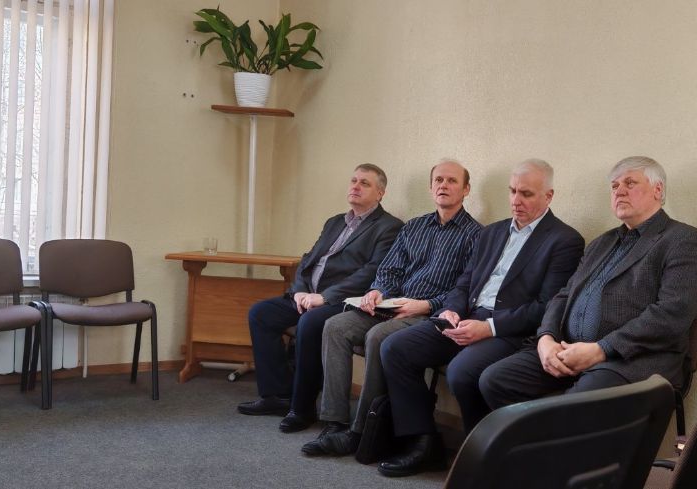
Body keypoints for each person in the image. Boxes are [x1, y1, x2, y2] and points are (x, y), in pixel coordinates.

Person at [376, 159, 585, 477]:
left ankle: (482, 456)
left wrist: (489, 327)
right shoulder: (492, 233)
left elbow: (545, 306)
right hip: (466, 317)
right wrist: (452, 310)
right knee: (395, 348)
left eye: (526, 193)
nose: (516, 200)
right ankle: (423, 442)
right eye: (512, 191)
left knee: (462, 372)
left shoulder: (564, 240)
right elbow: (465, 282)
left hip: (509, 329)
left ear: (549, 196)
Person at [479, 156, 697, 409]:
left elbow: (672, 313)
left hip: (629, 359)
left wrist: (601, 349)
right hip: (570, 349)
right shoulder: (602, 242)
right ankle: (534, 436)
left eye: (630, 183)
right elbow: (564, 295)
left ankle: (551, 434)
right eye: (614, 186)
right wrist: (546, 338)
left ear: (658, 190)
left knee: (575, 403)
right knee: (495, 380)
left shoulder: (683, 240)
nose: (619, 191)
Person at [296, 159, 483, 451]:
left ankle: (361, 431)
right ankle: (335, 422)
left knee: (377, 336)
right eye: (438, 180)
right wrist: (377, 291)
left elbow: (466, 289)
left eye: (452, 181)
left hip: (428, 313)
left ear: (466, 189)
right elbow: (389, 270)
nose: (443, 186)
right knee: (335, 326)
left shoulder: (477, 235)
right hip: (391, 305)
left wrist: (425, 305)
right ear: (430, 187)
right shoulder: (414, 227)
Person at [237, 164, 403, 434]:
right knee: (261, 313)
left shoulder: (389, 227)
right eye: (353, 180)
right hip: (308, 296)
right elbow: (309, 260)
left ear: (380, 193)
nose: (356, 186)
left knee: (310, 323)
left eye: (365, 183)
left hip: (343, 302)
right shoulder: (335, 222)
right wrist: (299, 291)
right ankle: (278, 395)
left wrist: (324, 297)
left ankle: (302, 408)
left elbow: (371, 272)